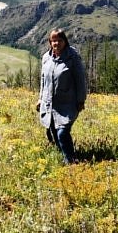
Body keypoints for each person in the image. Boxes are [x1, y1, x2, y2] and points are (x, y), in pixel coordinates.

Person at [36, 29, 87, 164]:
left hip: (67, 103)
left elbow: (80, 80)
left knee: (62, 132)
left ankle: (70, 160)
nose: (56, 43)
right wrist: (40, 98)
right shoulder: (46, 58)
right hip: (49, 103)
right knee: (53, 130)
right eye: (53, 40)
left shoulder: (72, 57)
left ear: (65, 41)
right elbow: (43, 80)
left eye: (59, 40)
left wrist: (81, 100)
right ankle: (63, 152)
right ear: (50, 42)